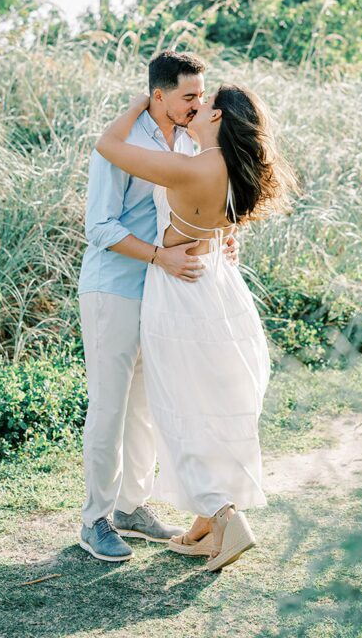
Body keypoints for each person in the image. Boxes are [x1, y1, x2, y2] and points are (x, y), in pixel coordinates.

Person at [96, 82, 295, 571]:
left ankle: (226, 519)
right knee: (210, 402)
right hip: (221, 289)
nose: (197, 109)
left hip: (180, 290)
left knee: (181, 406)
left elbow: (108, 146)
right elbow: (220, 228)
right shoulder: (237, 171)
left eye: (205, 105)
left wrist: (143, 102)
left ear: (219, 120)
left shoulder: (191, 167)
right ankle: (206, 527)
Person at [77, 51, 239, 562]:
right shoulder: (121, 144)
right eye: (189, 95)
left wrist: (223, 240)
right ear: (159, 95)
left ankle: (131, 506)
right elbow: (98, 228)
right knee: (108, 406)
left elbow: (195, 207)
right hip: (114, 287)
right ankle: (95, 519)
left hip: (160, 291)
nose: (198, 104)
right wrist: (159, 256)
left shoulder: (191, 140)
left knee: (144, 404)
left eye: (201, 95)